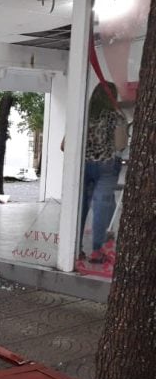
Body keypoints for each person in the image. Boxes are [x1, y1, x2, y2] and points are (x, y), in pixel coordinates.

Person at [78, 81, 128, 264]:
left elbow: (64, 145)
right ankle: (97, 251)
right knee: (100, 207)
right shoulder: (117, 117)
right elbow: (120, 145)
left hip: (84, 164)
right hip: (107, 166)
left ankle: (76, 249)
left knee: (81, 207)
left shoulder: (83, 114)